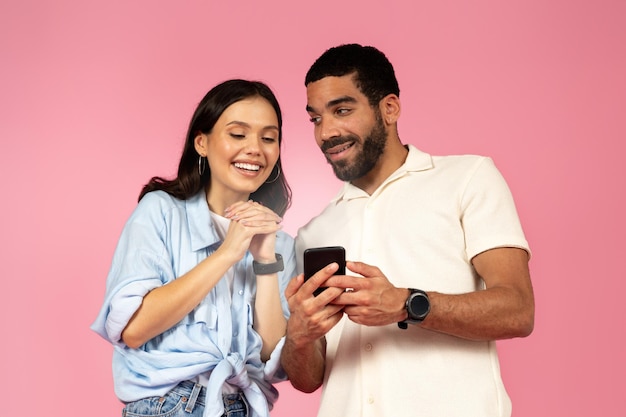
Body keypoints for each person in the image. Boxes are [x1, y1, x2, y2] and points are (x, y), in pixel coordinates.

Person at [280, 44, 535, 417]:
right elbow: (307, 380)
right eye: (315, 119)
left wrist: (406, 304)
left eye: (343, 110)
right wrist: (299, 335)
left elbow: (518, 309)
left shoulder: (468, 179)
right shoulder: (312, 233)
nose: (327, 132)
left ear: (389, 108)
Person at [91, 79, 296, 417]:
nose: (255, 149)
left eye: (269, 138)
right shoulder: (161, 211)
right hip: (169, 405)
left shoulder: (280, 243)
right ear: (202, 142)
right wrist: (228, 253)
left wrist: (264, 263)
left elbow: (273, 356)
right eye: (238, 134)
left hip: (244, 407)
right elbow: (134, 329)